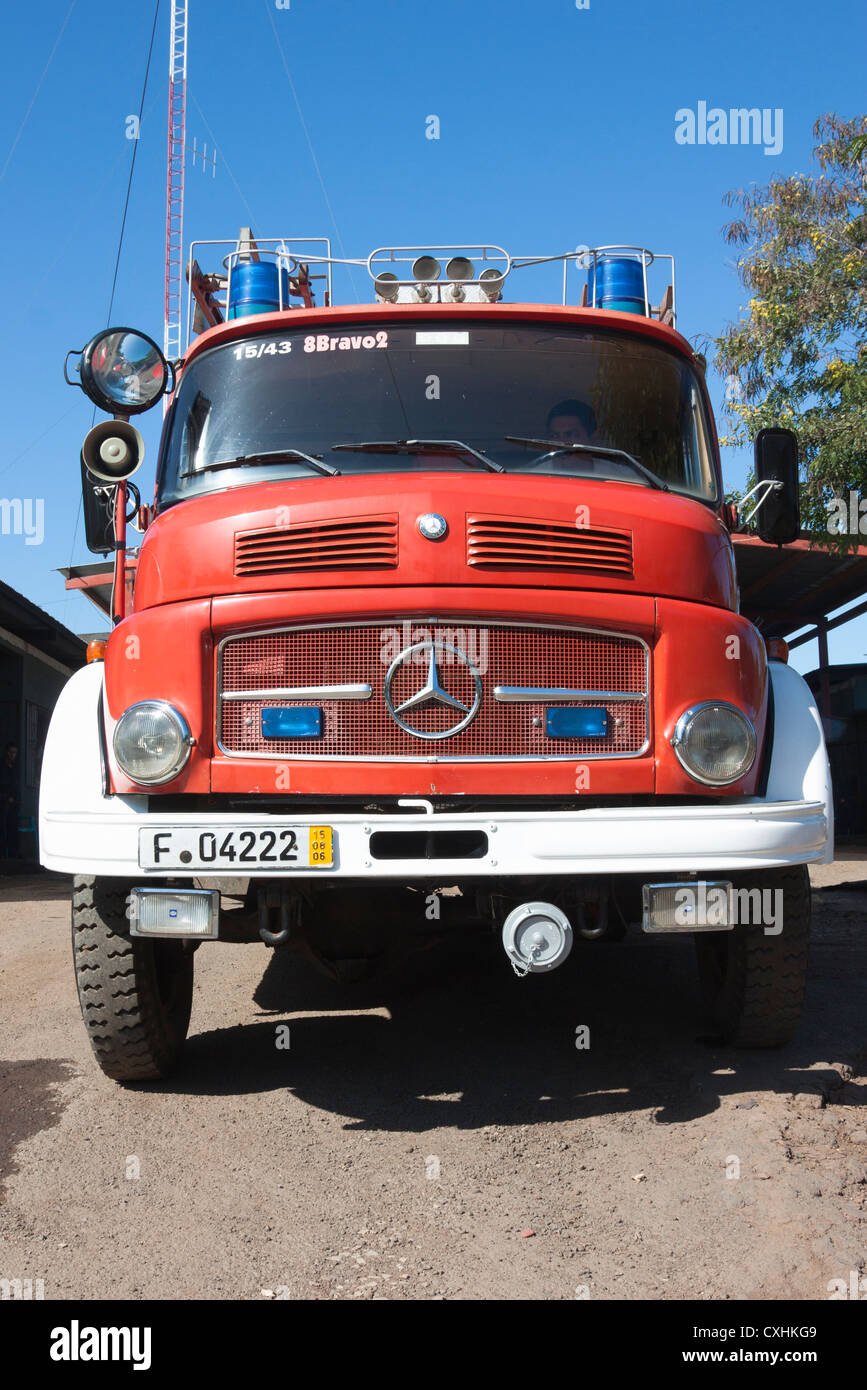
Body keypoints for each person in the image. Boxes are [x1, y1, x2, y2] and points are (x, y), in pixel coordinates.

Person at [0, 742, 19, 859]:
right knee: (2, 826)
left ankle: (13, 853)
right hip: (3, 800)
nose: (12, 755)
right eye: (10, 752)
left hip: (12, 801)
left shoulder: (15, 767)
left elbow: (15, 785)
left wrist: (13, 797)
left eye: (15, 753)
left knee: (13, 825)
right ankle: (3, 852)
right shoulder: (2, 766)